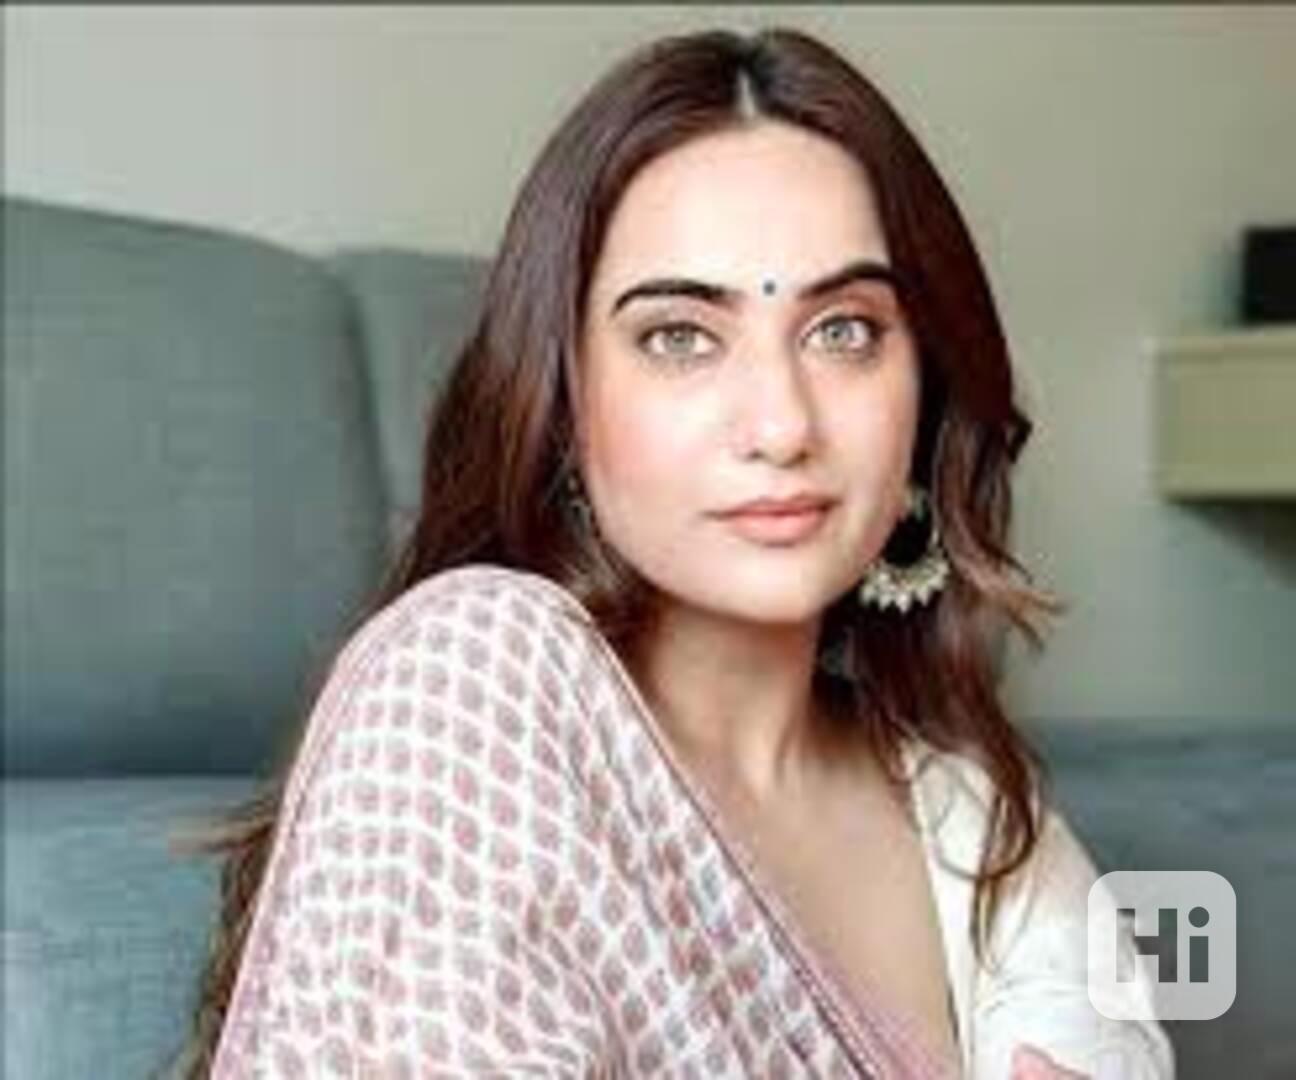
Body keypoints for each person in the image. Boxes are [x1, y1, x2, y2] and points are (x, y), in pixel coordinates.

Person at [171, 26, 1173, 1079]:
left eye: (844, 330)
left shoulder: (980, 826)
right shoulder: (470, 681)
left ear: (924, 398)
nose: (781, 425)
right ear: (563, 406)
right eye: (680, 337)